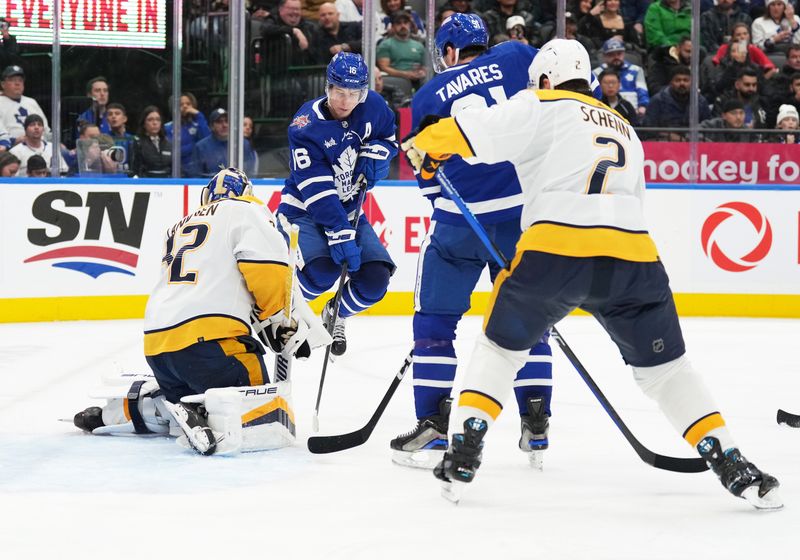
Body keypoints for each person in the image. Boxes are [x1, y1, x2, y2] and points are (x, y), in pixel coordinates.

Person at [403, 38, 783, 510]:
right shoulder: (624, 126)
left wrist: (425, 145)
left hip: (555, 250)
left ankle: (464, 448)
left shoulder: (541, 102)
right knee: (668, 372)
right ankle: (731, 460)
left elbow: (472, 130)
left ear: (545, 79)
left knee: (500, 350)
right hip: (633, 259)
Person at [391, 13, 554, 470]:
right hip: (523, 218)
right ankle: (536, 422)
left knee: (434, 325)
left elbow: (426, 180)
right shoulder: (520, 57)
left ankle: (433, 425)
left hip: (459, 224)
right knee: (530, 319)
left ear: (447, 52)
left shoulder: (427, 96)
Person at [73, 167, 331, 455]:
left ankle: (131, 411)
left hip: (159, 348)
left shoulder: (179, 225)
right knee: (264, 415)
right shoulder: (247, 210)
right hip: (211, 346)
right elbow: (267, 270)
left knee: (189, 393)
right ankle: (208, 418)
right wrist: (282, 324)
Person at [277, 52, 397, 357]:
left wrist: (382, 152)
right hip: (304, 210)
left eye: (354, 93)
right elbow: (317, 190)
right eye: (340, 92)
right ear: (328, 88)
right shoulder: (305, 125)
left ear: (363, 92)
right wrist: (338, 231)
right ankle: (280, 310)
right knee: (322, 274)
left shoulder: (373, 107)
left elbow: (389, 136)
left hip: (348, 209)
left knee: (374, 282)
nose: (346, 101)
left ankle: (336, 314)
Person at [643, 65, 712, 140]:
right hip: (664, 143)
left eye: (686, 80)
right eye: (677, 80)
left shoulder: (700, 101)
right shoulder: (658, 100)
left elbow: (707, 128)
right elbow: (649, 128)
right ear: (671, 82)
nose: (682, 83)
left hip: (693, 142)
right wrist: (670, 136)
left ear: (692, 82)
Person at [189, 108, 257, 177]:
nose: (224, 125)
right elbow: (196, 175)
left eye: (227, 121)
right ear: (211, 126)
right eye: (219, 122)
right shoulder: (201, 147)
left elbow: (250, 172)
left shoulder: (244, 144)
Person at [592, 38, 649, 118]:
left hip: (633, 111)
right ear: (604, 56)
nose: (616, 57)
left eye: (619, 54)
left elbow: (642, 91)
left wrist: (643, 106)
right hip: (604, 111)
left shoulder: (636, 70)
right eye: (611, 55)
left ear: (624, 54)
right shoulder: (596, 73)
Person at [0, 65, 49, 147]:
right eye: (12, 80)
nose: (17, 83)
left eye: (20, 80)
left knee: (64, 153)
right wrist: (15, 141)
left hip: (39, 145)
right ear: (3, 84)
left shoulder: (31, 102)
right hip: (12, 148)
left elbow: (46, 130)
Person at [376, 11, 427, 90]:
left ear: (410, 25)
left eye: (405, 22)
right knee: (404, 83)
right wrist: (406, 74)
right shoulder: (385, 44)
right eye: (398, 23)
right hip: (396, 80)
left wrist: (422, 72)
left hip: (418, 80)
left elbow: (425, 66)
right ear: (393, 26)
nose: (403, 26)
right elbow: (384, 67)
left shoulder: (419, 45)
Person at [164, 92, 211, 176]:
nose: (185, 106)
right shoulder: (168, 127)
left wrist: (199, 115)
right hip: (176, 171)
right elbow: (171, 151)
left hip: (197, 171)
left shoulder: (198, 124)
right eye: (181, 104)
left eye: (188, 104)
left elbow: (207, 140)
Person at [132, 106, 172, 177]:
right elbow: (134, 169)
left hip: (167, 183)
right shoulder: (138, 142)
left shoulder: (169, 143)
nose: (155, 123)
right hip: (146, 183)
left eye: (158, 119)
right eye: (150, 120)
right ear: (144, 124)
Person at [106, 102, 135, 174]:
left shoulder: (132, 140)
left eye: (117, 113)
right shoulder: (103, 139)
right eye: (110, 114)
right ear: (107, 119)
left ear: (124, 118)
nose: (113, 116)